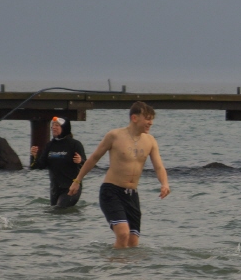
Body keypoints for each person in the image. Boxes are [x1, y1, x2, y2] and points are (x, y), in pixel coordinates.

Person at [68, 101, 170, 248]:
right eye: (147, 118)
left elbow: (159, 167)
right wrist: (77, 181)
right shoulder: (115, 136)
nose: (151, 123)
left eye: (152, 119)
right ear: (135, 118)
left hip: (132, 195)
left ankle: (126, 269)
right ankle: (115, 269)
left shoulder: (150, 141)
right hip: (111, 191)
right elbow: (94, 158)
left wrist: (164, 184)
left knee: (133, 242)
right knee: (123, 234)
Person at [29, 117, 87, 208]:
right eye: (52, 125)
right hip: (55, 189)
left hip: (71, 187)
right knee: (54, 214)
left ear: (65, 128)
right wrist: (34, 156)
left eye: (57, 125)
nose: (54, 127)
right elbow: (39, 166)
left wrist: (80, 161)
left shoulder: (75, 144)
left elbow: (86, 165)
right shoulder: (49, 146)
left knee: (59, 209)